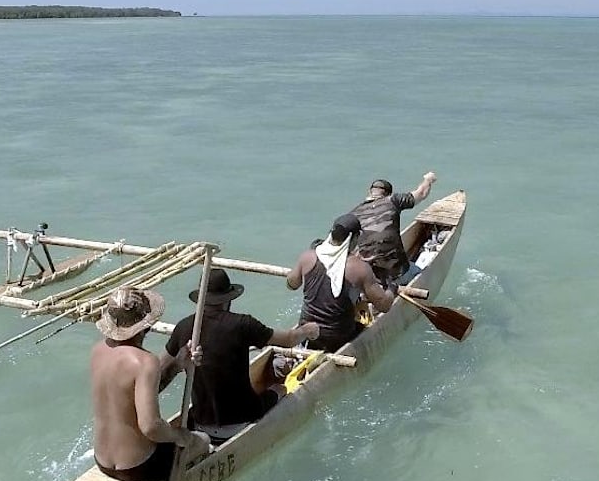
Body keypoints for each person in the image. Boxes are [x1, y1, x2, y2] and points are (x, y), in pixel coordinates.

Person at [160, 268, 321, 443]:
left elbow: (160, 367)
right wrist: (308, 330)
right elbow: (289, 340)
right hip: (240, 420)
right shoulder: (243, 324)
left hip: (199, 422)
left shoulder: (183, 327)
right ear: (228, 299)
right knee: (280, 388)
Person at [90, 287, 210, 481]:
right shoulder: (146, 362)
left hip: (102, 461)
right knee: (203, 440)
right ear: (146, 325)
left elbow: (130, 395)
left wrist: (178, 363)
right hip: (138, 468)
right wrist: (180, 436)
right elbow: (150, 427)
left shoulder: (97, 351)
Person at [285, 214, 395, 351]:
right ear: (354, 238)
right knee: (362, 321)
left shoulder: (307, 257)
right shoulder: (360, 268)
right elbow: (384, 306)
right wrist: (392, 289)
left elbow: (291, 285)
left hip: (306, 333)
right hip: (337, 338)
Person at [349, 171, 437, 285]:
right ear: (388, 194)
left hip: (371, 279)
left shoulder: (355, 213)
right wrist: (428, 179)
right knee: (422, 275)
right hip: (398, 274)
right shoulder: (393, 200)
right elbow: (421, 193)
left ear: (370, 192)